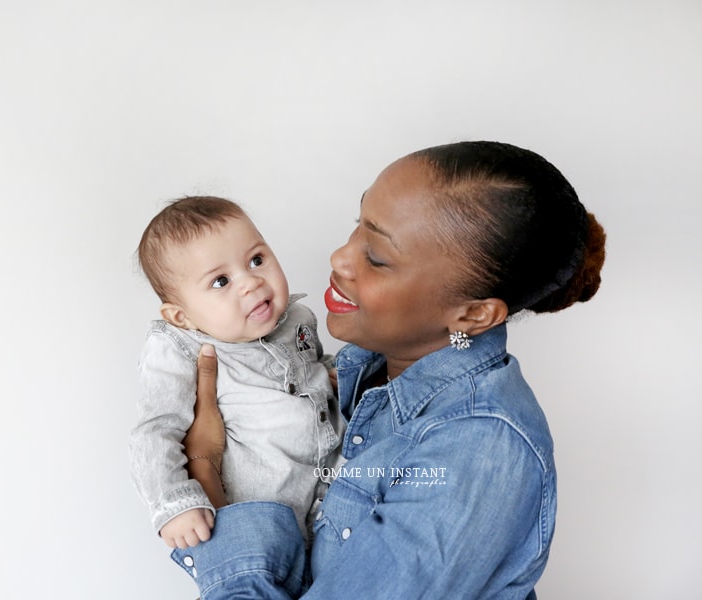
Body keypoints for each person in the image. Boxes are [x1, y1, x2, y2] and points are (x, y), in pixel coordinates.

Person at [171, 141, 607, 599]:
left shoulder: (476, 449)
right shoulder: (357, 368)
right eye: (357, 225)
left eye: (376, 256)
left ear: (473, 315)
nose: (340, 256)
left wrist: (205, 474)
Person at [129, 196, 345, 549]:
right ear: (181, 317)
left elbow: (309, 371)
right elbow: (154, 432)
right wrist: (175, 503)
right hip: (262, 514)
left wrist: (332, 374)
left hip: (337, 489)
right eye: (220, 281)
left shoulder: (297, 319)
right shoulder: (180, 351)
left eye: (257, 260)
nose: (251, 282)